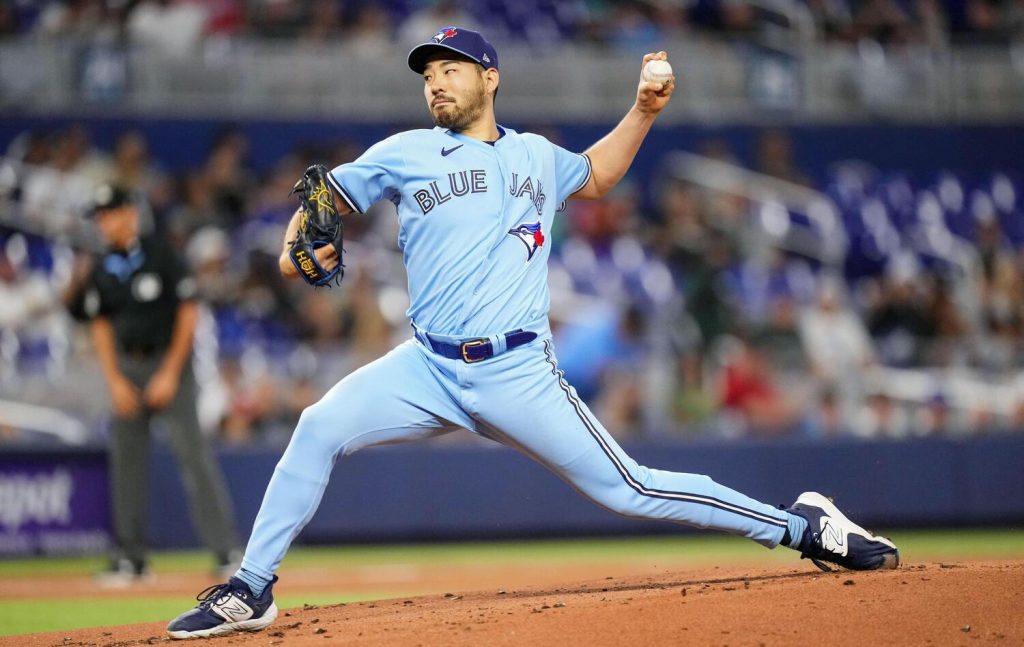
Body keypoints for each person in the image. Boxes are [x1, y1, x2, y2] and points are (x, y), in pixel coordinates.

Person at [166, 27, 899, 639]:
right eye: (428, 73)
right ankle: (251, 587)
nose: (436, 83)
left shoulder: (536, 157)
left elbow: (599, 175)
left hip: (517, 372)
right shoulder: (405, 152)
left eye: (450, 69)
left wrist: (642, 110)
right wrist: (296, 242)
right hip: (425, 367)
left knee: (632, 488)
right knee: (318, 424)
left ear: (490, 77)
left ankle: (802, 527)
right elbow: (320, 201)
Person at [67, 184, 241, 584]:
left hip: (169, 363)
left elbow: (188, 311)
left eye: (110, 212)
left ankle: (226, 551)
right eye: (100, 215)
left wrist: (169, 372)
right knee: (126, 462)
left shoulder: (160, 253)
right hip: (126, 367)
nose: (103, 221)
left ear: (129, 212)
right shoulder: (100, 264)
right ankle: (132, 559)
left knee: (193, 457)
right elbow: (100, 325)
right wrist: (113, 380)